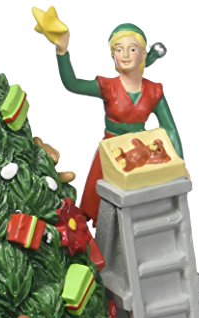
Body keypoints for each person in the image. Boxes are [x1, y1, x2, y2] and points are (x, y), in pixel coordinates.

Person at [48, 21, 183, 224]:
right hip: (112, 153)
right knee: (103, 206)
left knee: (139, 208)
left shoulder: (154, 91)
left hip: (141, 154)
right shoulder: (108, 87)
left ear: (143, 54)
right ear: (113, 56)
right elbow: (72, 84)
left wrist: (179, 164)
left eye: (132, 49)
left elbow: (169, 128)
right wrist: (62, 51)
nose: (125, 55)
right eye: (119, 50)